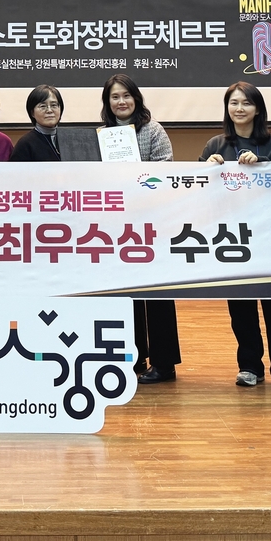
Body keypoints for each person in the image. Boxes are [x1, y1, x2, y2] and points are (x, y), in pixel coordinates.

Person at [200, 81, 271, 391]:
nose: (239, 108)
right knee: (240, 307)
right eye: (233, 103)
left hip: (270, 239)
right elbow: (198, 193)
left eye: (246, 103)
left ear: (258, 109)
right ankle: (249, 366)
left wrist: (264, 166)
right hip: (232, 239)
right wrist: (207, 170)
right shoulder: (215, 146)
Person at [100, 74, 177, 383]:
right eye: (114, 97)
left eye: (126, 95)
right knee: (125, 295)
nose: (121, 102)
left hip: (152, 223)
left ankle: (164, 363)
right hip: (118, 227)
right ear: (107, 103)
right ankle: (132, 357)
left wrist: (135, 181)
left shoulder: (153, 130)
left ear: (136, 98)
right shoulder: (103, 136)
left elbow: (165, 171)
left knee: (157, 294)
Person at [9, 84, 64, 161]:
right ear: (32, 113)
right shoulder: (25, 144)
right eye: (43, 106)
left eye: (54, 105)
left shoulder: (70, 139)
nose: (49, 110)